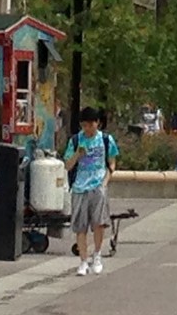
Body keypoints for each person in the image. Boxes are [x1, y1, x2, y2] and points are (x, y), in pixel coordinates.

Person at [64, 107, 119, 276]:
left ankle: (97, 255)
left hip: (98, 186)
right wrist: (77, 155)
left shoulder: (106, 140)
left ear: (97, 123)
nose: (88, 129)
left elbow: (112, 163)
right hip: (80, 187)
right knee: (80, 227)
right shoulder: (75, 141)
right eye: (84, 125)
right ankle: (83, 260)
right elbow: (67, 165)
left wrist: (104, 183)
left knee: (98, 223)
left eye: (91, 125)